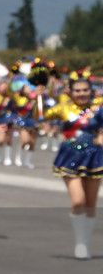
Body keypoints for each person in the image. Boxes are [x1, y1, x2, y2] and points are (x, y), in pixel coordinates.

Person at [41, 74, 103, 259]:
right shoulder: (62, 108)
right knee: (78, 201)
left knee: (91, 204)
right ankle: (80, 243)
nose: (82, 93)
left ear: (91, 91)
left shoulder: (98, 107)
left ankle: (85, 243)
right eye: (78, 90)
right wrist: (38, 95)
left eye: (85, 90)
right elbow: (40, 116)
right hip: (69, 156)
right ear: (70, 91)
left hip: (94, 156)